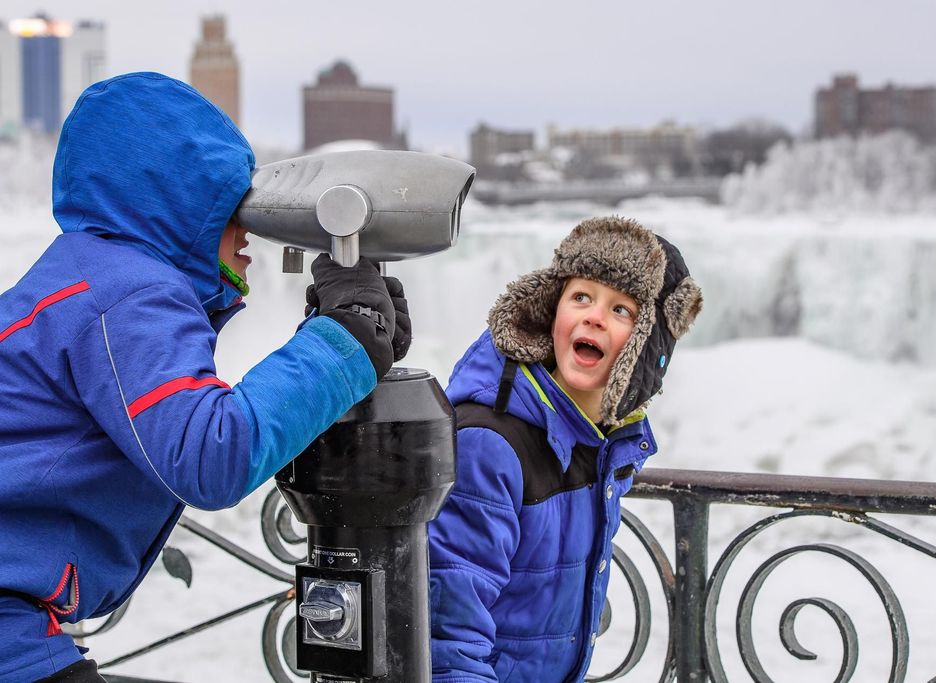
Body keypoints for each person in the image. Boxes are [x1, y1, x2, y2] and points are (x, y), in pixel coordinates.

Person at [0, 72, 408, 682]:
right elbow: (208, 455)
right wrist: (344, 344)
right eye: (231, 206)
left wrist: (338, 345)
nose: (249, 231)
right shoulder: (130, 293)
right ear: (178, 202)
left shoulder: (84, 277)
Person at [428, 216, 703, 682]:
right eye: (581, 297)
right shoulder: (491, 446)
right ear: (550, 310)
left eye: (622, 310)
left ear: (646, 348)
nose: (594, 315)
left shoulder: (603, 442)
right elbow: (448, 639)